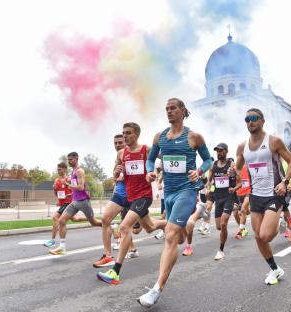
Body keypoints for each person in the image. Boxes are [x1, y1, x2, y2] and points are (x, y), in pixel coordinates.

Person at [137, 98, 212, 307]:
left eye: (173, 108)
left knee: (170, 236)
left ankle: (156, 289)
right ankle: (194, 218)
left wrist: (198, 172)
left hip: (186, 191)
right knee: (177, 239)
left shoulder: (193, 136)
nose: (169, 111)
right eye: (167, 109)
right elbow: (151, 160)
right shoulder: (159, 137)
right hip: (168, 193)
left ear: (182, 111)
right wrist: (151, 171)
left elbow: (208, 160)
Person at [230, 108, 291, 285]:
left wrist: (286, 182)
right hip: (255, 195)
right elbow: (237, 168)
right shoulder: (242, 147)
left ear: (262, 120)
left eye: (254, 118)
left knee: (266, 235)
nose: (250, 122)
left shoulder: (273, 141)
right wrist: (233, 171)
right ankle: (275, 269)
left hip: (275, 192)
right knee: (258, 236)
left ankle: (279, 221)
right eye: (247, 119)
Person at [97, 122, 167, 285]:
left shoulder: (146, 150)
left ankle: (115, 272)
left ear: (136, 134)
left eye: (128, 133)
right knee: (149, 227)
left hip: (144, 196)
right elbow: (117, 171)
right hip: (130, 196)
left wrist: (154, 173)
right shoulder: (122, 153)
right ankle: (169, 224)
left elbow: (164, 159)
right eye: (123, 133)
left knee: (124, 227)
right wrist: (116, 173)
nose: (125, 136)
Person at [93, 134, 139, 268]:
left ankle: (166, 225)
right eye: (115, 143)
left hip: (134, 195)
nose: (118, 145)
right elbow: (115, 175)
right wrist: (116, 174)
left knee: (140, 229)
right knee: (105, 220)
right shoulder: (119, 154)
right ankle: (108, 256)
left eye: (120, 142)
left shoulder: (137, 153)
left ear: (126, 142)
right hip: (119, 194)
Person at [49, 152, 102, 255]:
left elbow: (81, 187)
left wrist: (68, 184)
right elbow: (76, 188)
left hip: (83, 202)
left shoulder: (79, 171)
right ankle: (62, 248)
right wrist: (71, 195)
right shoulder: (73, 171)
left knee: (94, 222)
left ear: (76, 159)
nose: (69, 162)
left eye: (71, 160)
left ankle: (112, 227)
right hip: (75, 201)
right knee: (61, 221)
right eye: (68, 160)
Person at [44, 162, 87, 248]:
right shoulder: (56, 181)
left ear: (64, 169)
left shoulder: (69, 179)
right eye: (57, 169)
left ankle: (53, 241)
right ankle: (92, 219)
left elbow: (77, 190)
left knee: (55, 217)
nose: (58, 171)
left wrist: (69, 195)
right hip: (62, 204)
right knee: (75, 219)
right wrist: (55, 190)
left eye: (59, 169)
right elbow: (57, 195)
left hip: (69, 203)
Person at [208, 143, 238, 260]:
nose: (219, 153)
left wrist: (234, 188)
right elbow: (210, 180)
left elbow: (240, 181)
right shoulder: (214, 165)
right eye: (217, 151)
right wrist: (208, 186)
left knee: (223, 223)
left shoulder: (232, 165)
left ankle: (221, 250)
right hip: (218, 198)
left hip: (228, 197)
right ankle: (234, 208)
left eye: (221, 151)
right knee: (219, 227)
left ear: (226, 151)